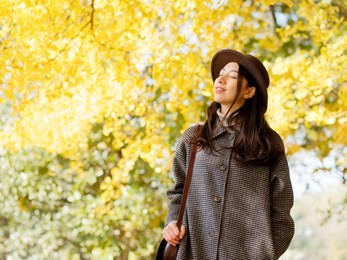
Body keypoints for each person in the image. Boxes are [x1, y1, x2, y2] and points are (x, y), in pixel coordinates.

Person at [161, 49, 295, 260]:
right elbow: (177, 192)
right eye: (220, 73)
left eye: (232, 76)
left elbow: (282, 214)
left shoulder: (269, 143)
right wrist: (171, 223)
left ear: (249, 92)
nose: (220, 79)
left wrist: (263, 255)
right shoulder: (193, 138)